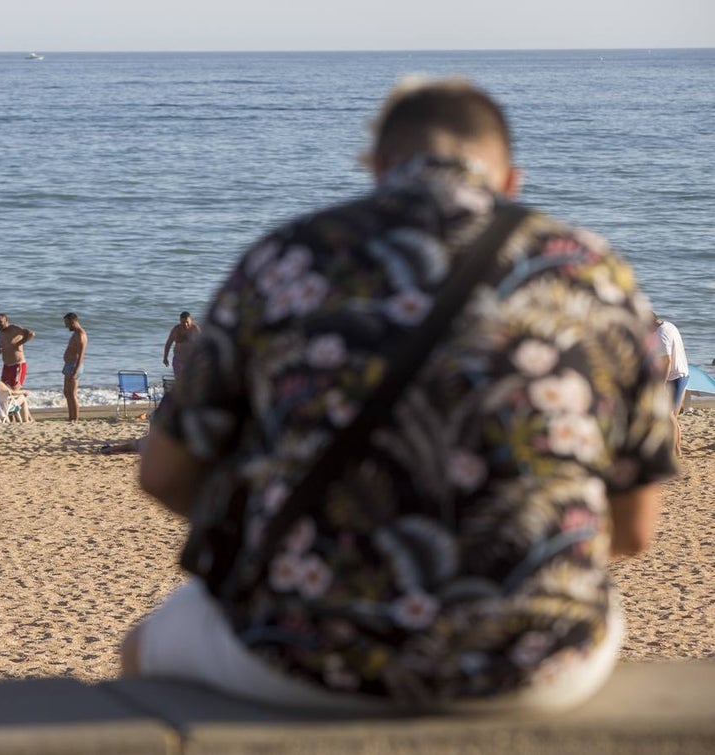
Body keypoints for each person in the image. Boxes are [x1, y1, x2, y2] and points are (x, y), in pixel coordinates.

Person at [122, 78, 675, 714]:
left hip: (302, 652)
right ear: (510, 180)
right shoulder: (594, 271)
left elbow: (163, 473)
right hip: (535, 663)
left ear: (379, 169)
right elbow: (634, 531)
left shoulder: (288, 258)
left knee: (144, 645)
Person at [654, 313, 689, 456]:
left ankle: (674, 451)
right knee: (673, 416)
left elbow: (667, 361)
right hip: (682, 373)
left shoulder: (660, 333)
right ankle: (676, 449)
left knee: (669, 415)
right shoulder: (669, 326)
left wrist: (662, 384)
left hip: (674, 377)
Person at [0, 313, 35, 389]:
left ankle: (26, 394)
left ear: (6, 321)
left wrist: (19, 343)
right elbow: (1, 349)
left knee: (14, 389)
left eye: (0, 322)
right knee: (3, 389)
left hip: (17, 365)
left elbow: (31, 334)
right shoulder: (1, 333)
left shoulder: (13, 328)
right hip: (6, 367)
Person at [62, 312, 88, 422]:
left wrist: (75, 371)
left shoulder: (80, 335)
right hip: (69, 365)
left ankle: (75, 418)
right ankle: (70, 417)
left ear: (72, 322)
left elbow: (81, 354)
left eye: (67, 323)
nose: (66, 326)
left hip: (74, 366)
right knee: (66, 392)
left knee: (72, 394)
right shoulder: (76, 333)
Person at [162, 311, 202, 377]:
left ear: (191, 320)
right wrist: (165, 357)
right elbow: (168, 343)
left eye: (187, 322)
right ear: (180, 321)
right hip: (178, 360)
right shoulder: (176, 330)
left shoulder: (195, 330)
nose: (185, 324)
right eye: (183, 322)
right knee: (179, 380)